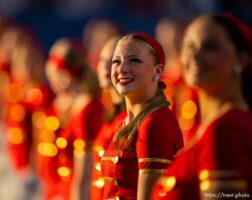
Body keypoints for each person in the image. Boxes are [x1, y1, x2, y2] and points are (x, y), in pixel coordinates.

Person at [151, 13, 252, 200]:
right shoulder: (211, 128)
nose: (195, 55)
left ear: (241, 59)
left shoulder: (225, 130)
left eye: (210, 47)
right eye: (189, 45)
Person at [100, 33, 184, 200]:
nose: (122, 69)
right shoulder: (121, 120)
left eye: (134, 61)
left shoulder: (154, 122)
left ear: (158, 70)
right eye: (116, 61)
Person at [43, 38, 104, 200]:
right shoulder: (65, 107)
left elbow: (84, 176)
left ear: (64, 76)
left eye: (52, 78)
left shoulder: (87, 109)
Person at [91, 36, 125, 200]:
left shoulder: (135, 118)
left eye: (113, 60)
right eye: (102, 59)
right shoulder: (107, 114)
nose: (105, 66)